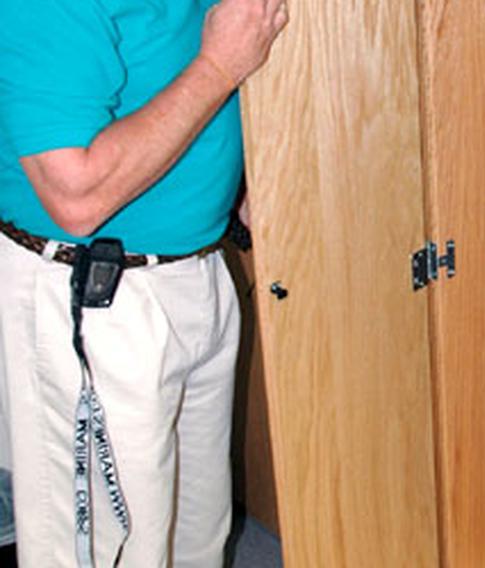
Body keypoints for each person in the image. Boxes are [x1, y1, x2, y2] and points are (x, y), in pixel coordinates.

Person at [0, 0, 288, 565]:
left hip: (198, 272)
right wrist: (219, 67)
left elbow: (161, 70)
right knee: (110, 547)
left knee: (196, 530)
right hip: (97, 299)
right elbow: (74, 195)